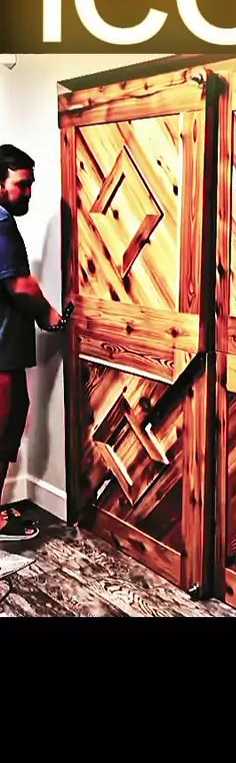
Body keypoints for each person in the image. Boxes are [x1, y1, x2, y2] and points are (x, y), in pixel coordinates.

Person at [0, 144, 64, 542]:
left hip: (7, 352)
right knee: (1, 434)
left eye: (31, 185)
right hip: (1, 355)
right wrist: (50, 315)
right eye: (22, 184)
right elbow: (20, 285)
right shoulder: (1, 223)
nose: (28, 193)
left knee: (9, 428)